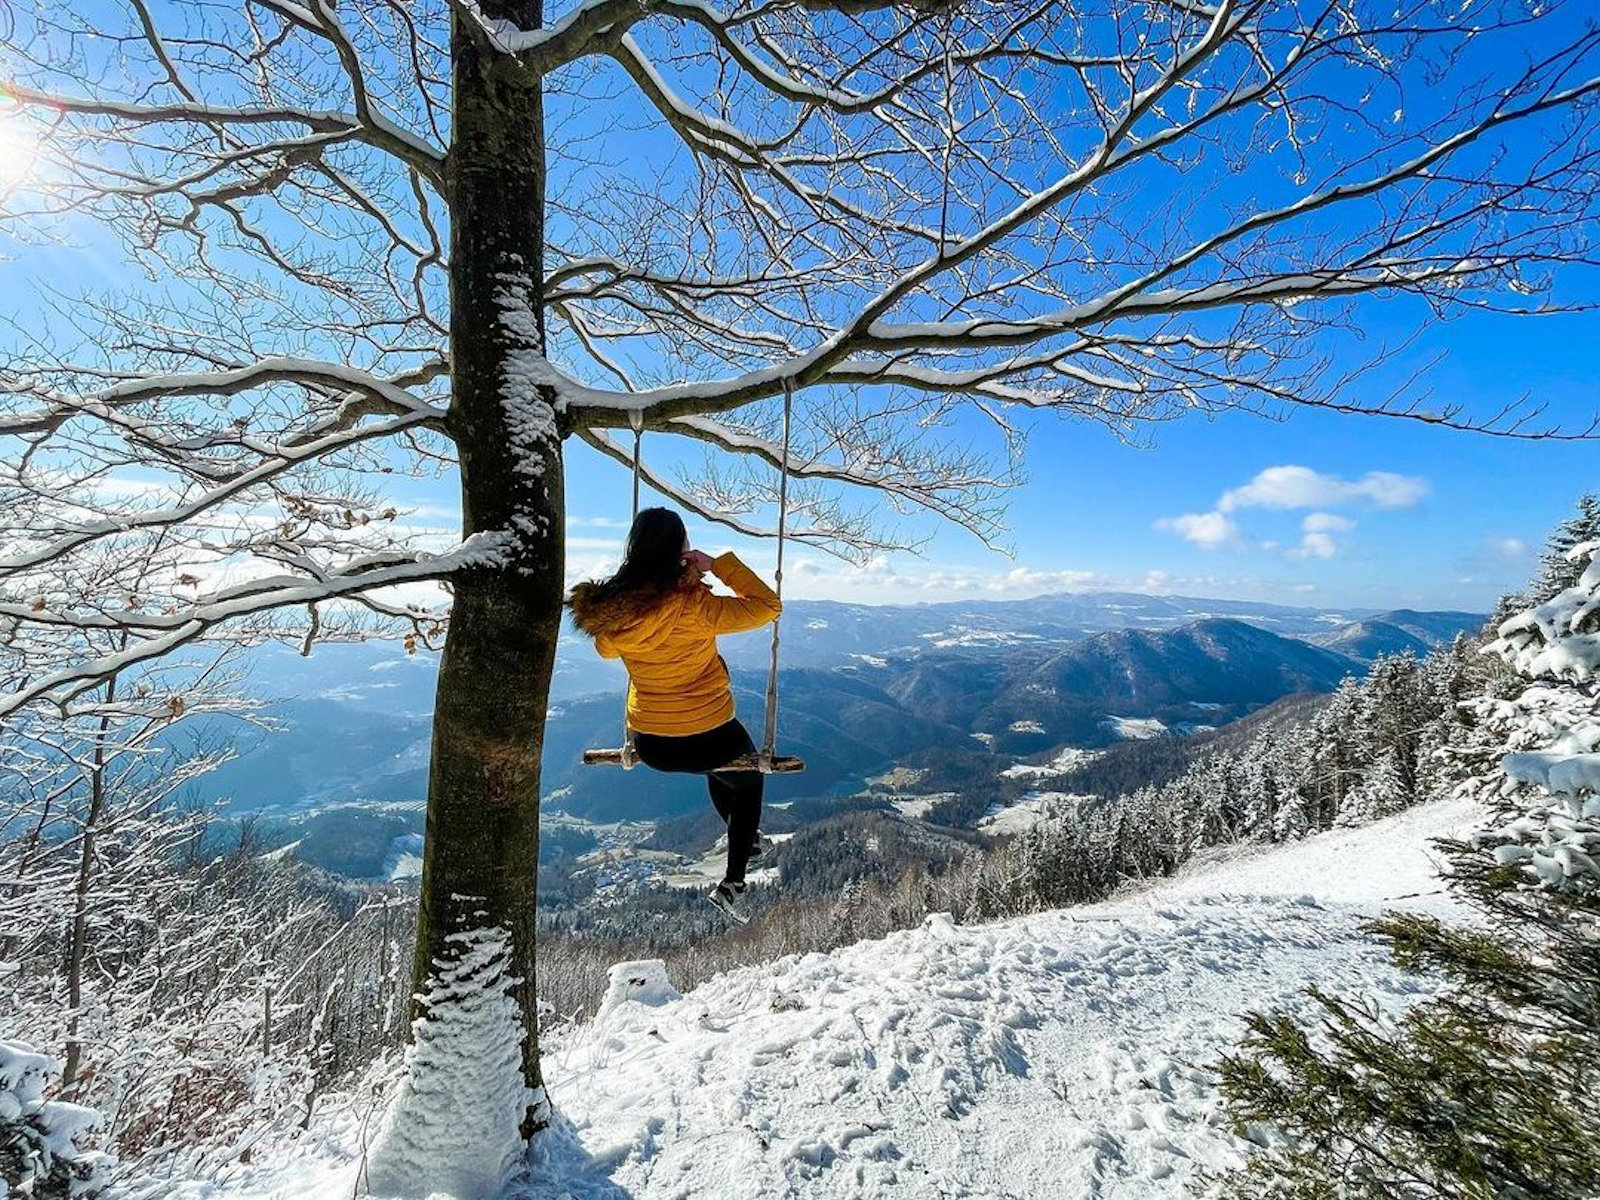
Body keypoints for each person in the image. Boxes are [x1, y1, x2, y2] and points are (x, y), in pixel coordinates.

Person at [568, 507, 780, 919]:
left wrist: (627, 598)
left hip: (652, 745)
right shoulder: (696, 607)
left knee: (722, 770)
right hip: (709, 737)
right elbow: (768, 606)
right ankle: (734, 880)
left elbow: (606, 649)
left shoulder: (617, 617)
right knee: (745, 777)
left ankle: (748, 842)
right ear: (680, 550)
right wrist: (717, 565)